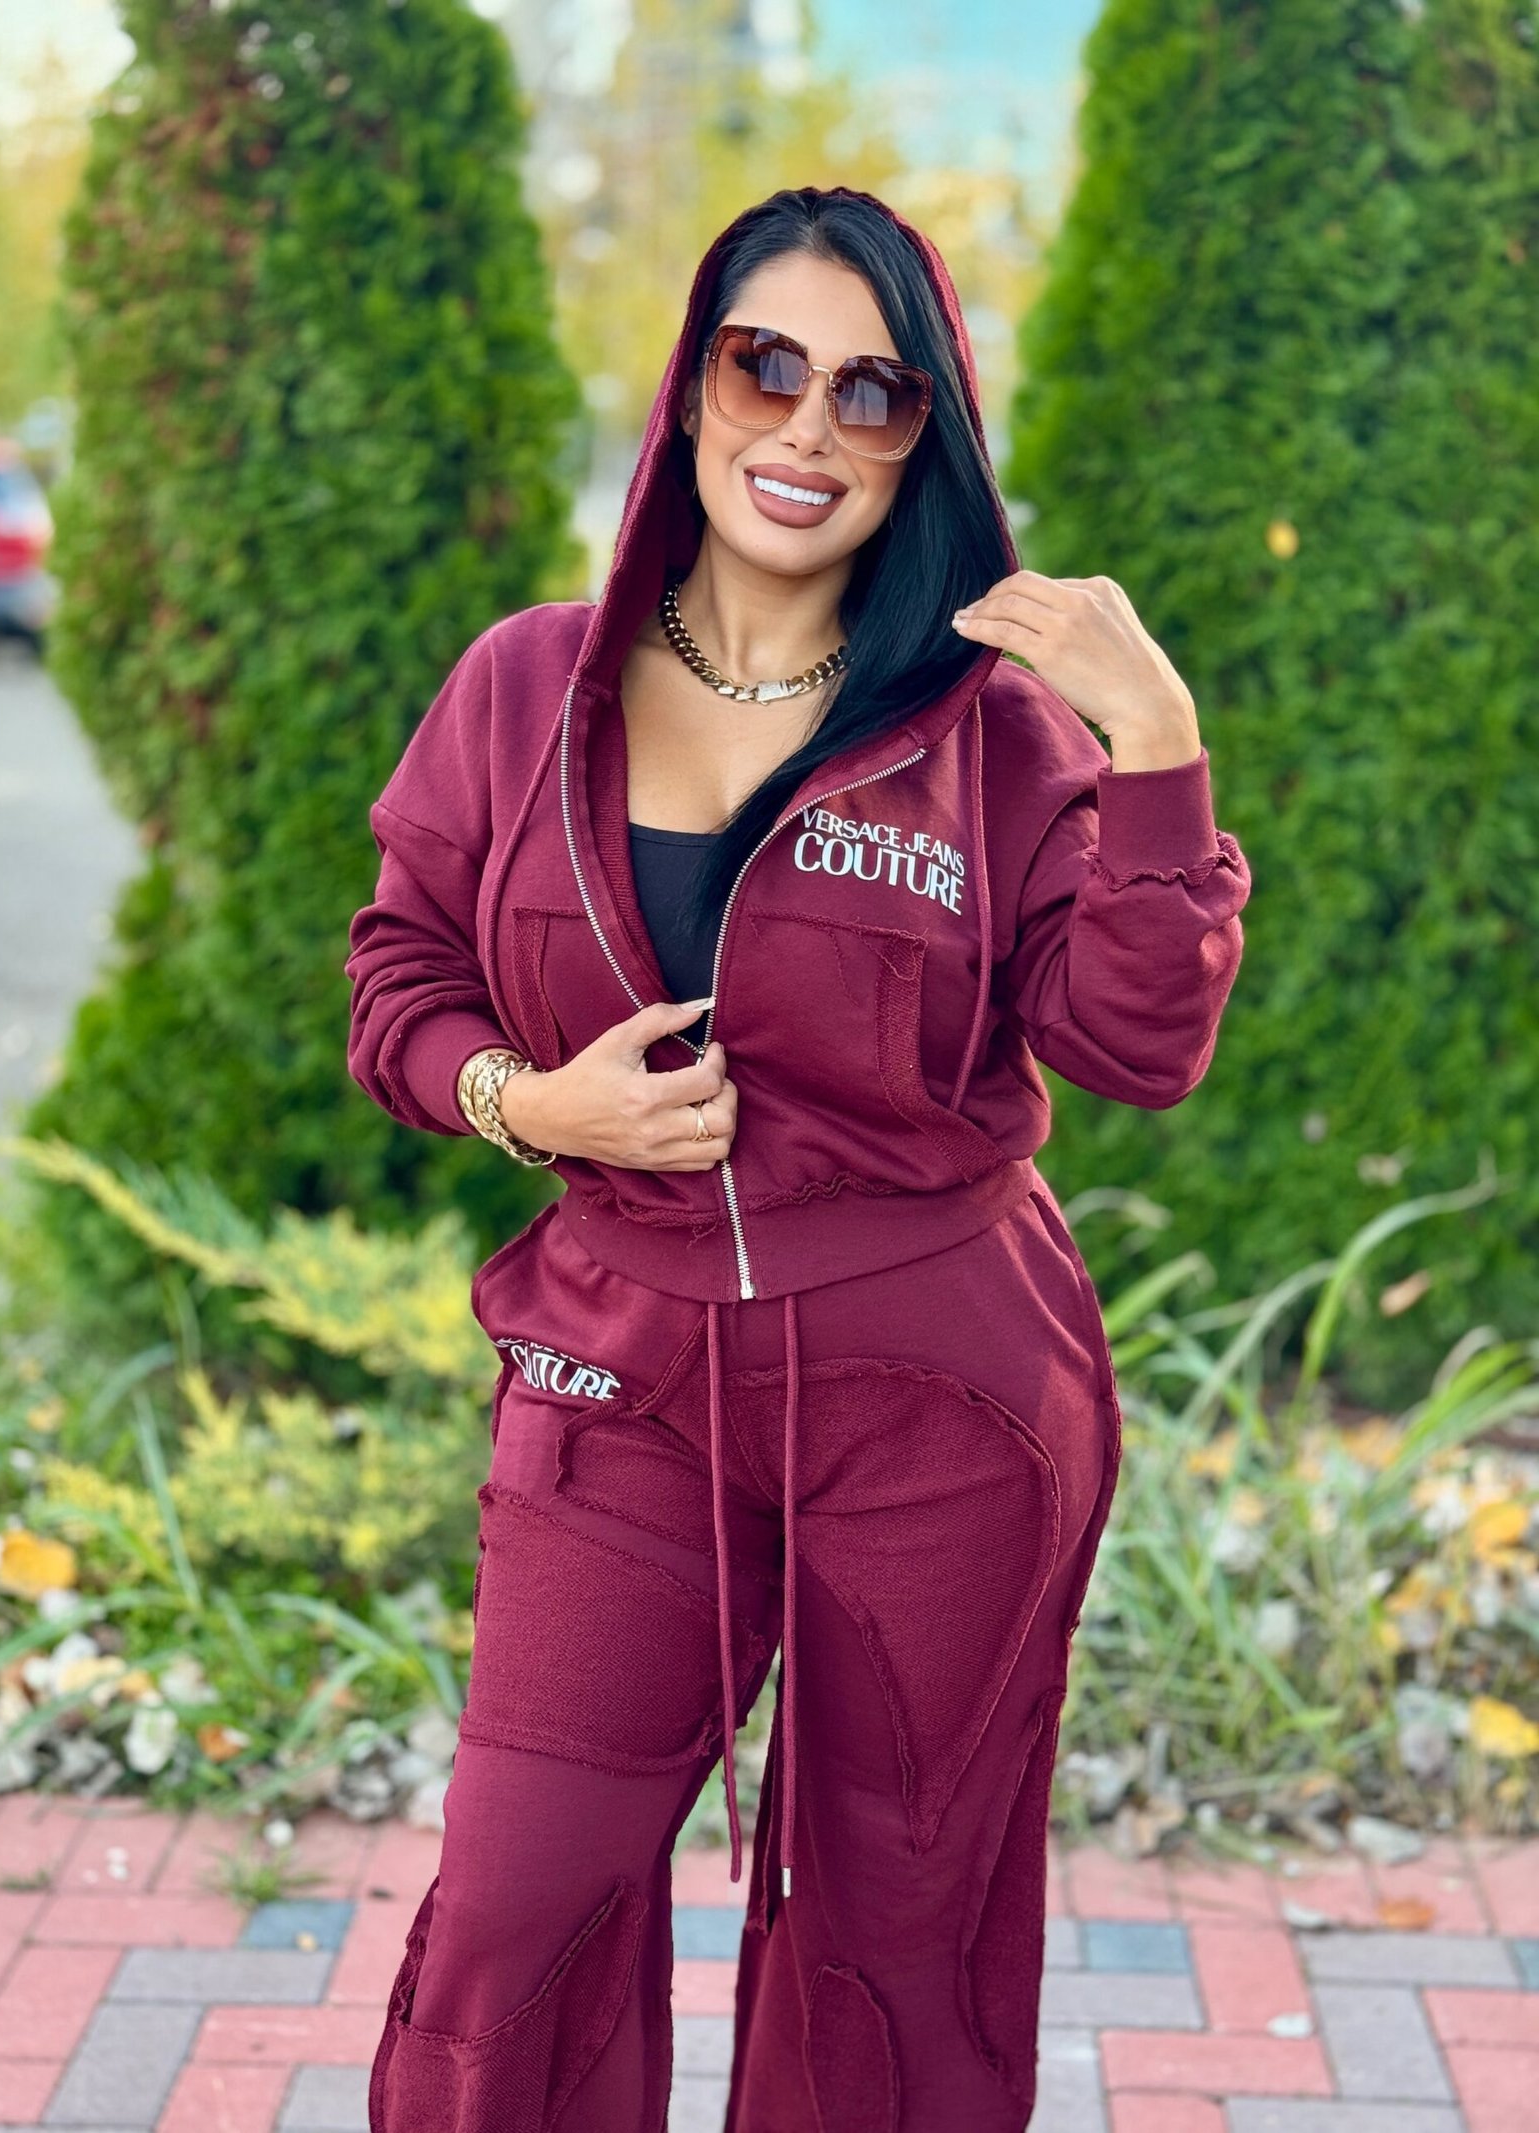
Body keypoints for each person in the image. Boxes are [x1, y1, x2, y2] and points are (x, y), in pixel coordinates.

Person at [345, 182, 1251, 2133]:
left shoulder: (989, 736)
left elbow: (1137, 1043)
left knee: (897, 1936)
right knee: (516, 1894)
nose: (808, 425)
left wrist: (1157, 746)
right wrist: (533, 1103)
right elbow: (397, 977)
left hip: (943, 1394)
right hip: (619, 1364)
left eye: (871, 389)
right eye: (765, 365)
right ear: (690, 388)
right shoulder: (525, 687)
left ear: (922, 435)